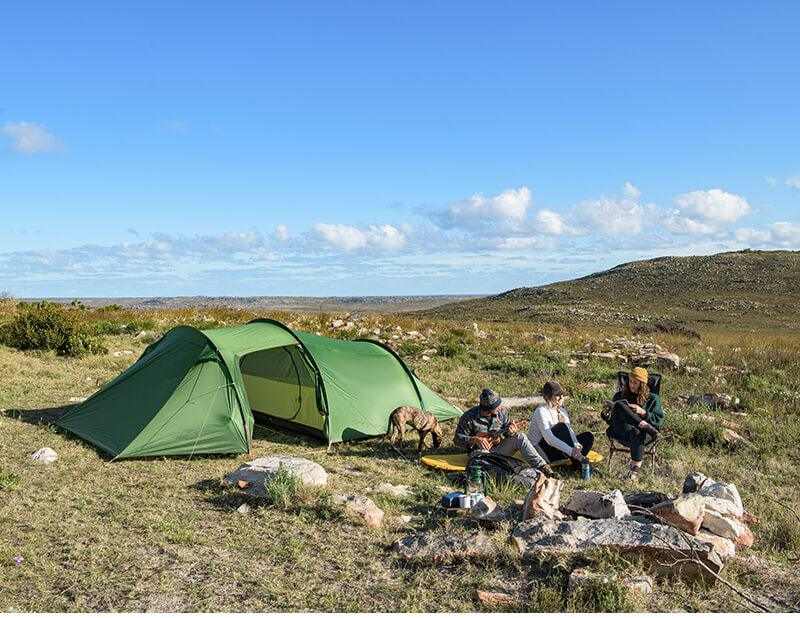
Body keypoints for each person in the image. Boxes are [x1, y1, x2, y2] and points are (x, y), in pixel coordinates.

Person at [454, 388, 553, 475]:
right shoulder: (469, 417)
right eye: (497, 407)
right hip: (479, 454)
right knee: (484, 456)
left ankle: (543, 467)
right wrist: (474, 439)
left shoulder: (502, 412)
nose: (500, 408)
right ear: (489, 409)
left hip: (499, 449)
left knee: (520, 437)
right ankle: (510, 471)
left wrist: (511, 431)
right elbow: (457, 439)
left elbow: (506, 433)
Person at [604, 366, 665, 480]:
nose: (631, 385)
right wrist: (606, 414)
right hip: (622, 432)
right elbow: (612, 421)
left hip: (642, 434)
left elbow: (659, 420)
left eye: (635, 383)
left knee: (636, 432)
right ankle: (643, 424)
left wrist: (643, 412)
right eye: (630, 381)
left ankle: (633, 474)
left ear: (642, 384)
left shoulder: (652, 399)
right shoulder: (620, 395)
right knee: (619, 405)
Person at [528, 380, 594, 466]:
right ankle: (579, 463)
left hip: (558, 448)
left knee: (588, 436)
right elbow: (549, 439)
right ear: (548, 397)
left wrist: (576, 444)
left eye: (562, 395)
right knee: (561, 427)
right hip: (543, 449)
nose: (561, 397)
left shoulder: (562, 411)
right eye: (557, 395)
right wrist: (572, 451)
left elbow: (570, 432)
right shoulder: (541, 411)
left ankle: (577, 462)